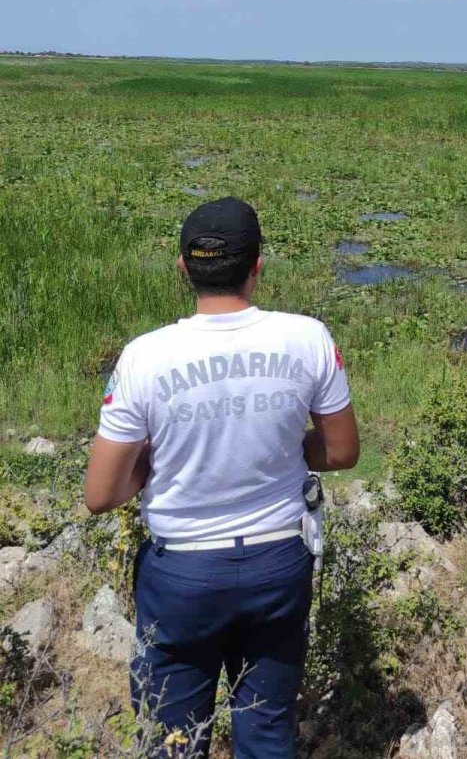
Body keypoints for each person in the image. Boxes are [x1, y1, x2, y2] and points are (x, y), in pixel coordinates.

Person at [83, 197, 360, 758]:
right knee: (267, 727)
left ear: (183, 266)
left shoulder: (145, 357)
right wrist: (281, 448)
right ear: (258, 264)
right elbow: (342, 451)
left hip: (182, 574)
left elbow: (100, 494)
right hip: (278, 565)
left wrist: (155, 464)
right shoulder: (307, 337)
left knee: (172, 739)